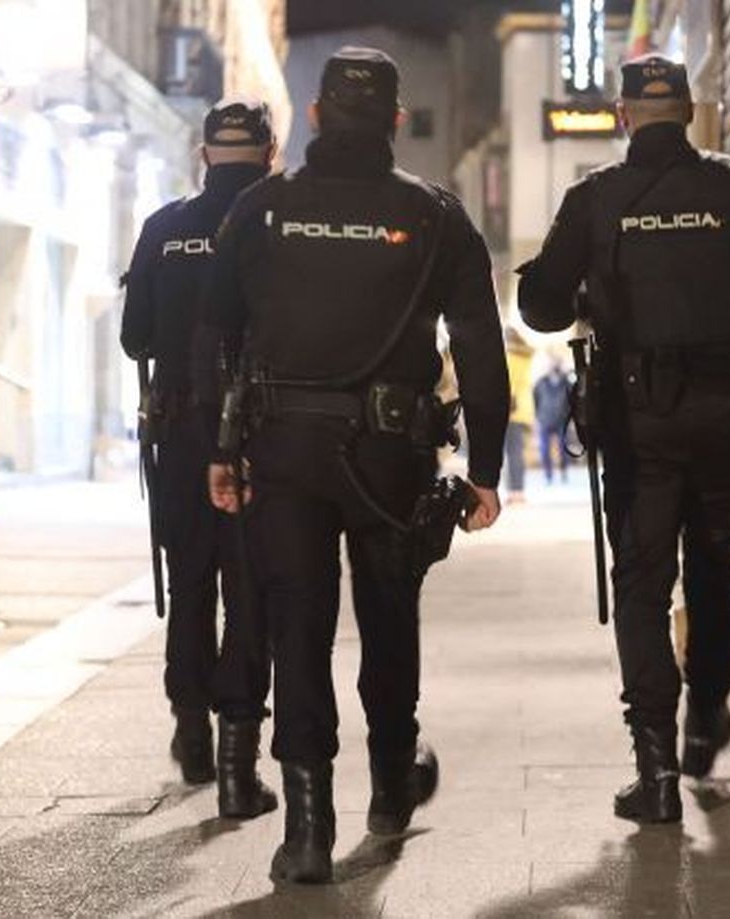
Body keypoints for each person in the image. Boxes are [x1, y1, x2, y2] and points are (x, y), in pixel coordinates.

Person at [196, 47, 509, 884]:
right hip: (390, 454)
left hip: (283, 450)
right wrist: (487, 468)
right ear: (397, 122)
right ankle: (391, 786)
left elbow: (215, 332)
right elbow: (480, 346)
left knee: (298, 624)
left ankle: (306, 829)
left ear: (314, 117)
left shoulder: (262, 210)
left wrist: (222, 448)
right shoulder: (437, 216)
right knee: (388, 613)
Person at [516, 55, 730, 822]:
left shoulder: (595, 199)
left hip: (637, 426)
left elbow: (539, 306)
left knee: (643, 585)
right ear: (690, 114)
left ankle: (654, 769)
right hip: (724, 416)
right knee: (714, 570)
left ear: (624, 117)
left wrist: (582, 287)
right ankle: (705, 718)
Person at [120, 97, 279, 821]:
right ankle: (238, 749)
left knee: (189, 579)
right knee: (252, 585)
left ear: (204, 153)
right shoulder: (278, 220)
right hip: (262, 430)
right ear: (270, 155)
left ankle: (190, 724)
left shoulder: (164, 227)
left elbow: (133, 338)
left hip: (181, 428)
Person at [503, 329, 535, 502]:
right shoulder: (525, 357)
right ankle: (518, 490)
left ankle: (514, 491)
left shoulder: (509, 358)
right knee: (516, 452)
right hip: (523, 411)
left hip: (510, 411)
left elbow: (508, 385)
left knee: (511, 453)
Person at [532, 362, 572, 485]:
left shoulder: (566, 383)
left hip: (562, 421)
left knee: (563, 448)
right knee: (544, 450)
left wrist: (569, 418)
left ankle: (564, 471)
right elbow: (536, 399)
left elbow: (571, 401)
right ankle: (548, 475)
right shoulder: (540, 383)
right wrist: (538, 416)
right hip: (545, 420)